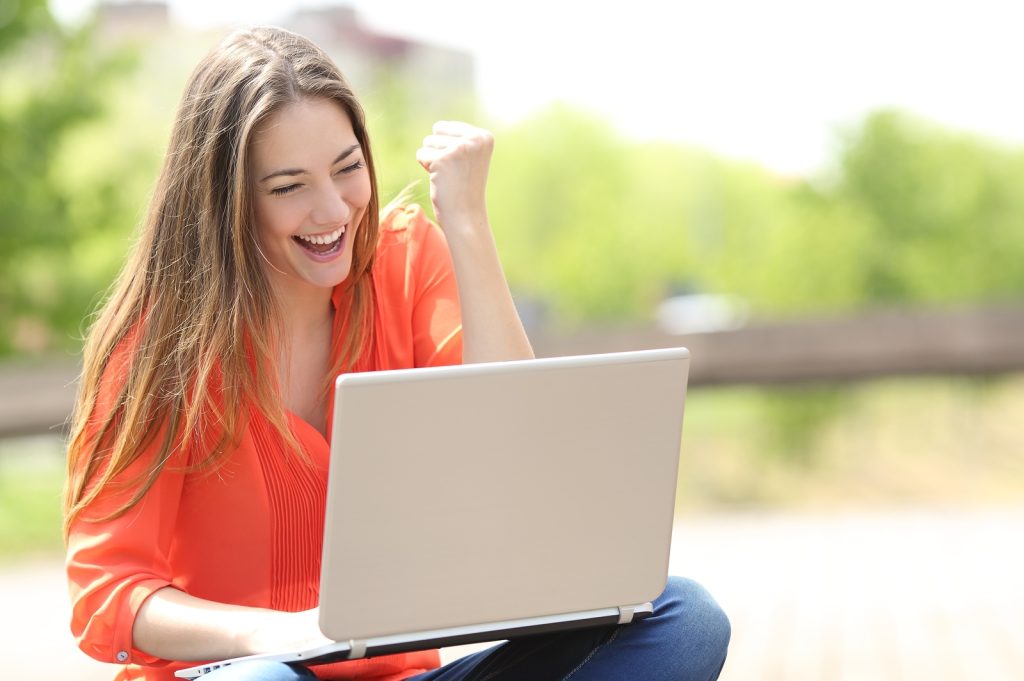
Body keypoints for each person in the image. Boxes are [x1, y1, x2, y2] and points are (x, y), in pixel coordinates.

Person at [63, 26, 730, 681]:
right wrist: (278, 635)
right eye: (289, 186)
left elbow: (518, 452)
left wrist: (466, 221)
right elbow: (107, 588)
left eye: (347, 168)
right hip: (238, 672)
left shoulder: (405, 260)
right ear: (225, 203)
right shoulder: (155, 346)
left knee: (683, 617)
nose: (333, 211)